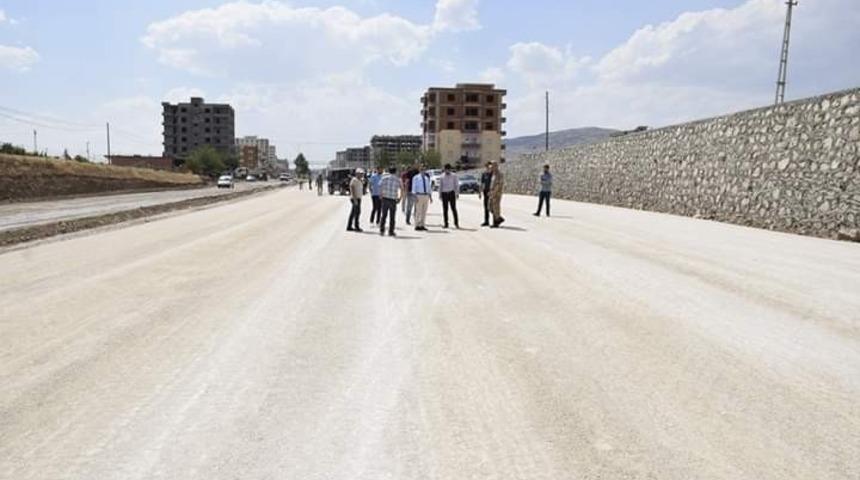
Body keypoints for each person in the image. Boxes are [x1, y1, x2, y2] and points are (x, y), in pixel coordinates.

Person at [378, 167, 402, 237]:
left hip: (385, 199)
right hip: (393, 200)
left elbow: (380, 186)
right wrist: (400, 198)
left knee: (384, 216)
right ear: (395, 171)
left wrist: (380, 195)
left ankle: (382, 230)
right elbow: (402, 189)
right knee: (392, 217)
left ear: (389, 171)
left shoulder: (384, 178)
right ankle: (391, 231)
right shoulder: (398, 179)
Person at [438, 163, 460, 229]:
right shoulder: (442, 176)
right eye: (445, 170)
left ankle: (456, 223)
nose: (447, 171)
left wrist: (457, 193)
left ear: (450, 169)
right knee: (445, 209)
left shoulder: (454, 176)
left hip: (451, 193)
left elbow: (456, 185)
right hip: (444, 194)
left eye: (448, 169)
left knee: (453, 209)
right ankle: (446, 224)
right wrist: (440, 194)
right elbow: (440, 186)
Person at [411, 165, 433, 231]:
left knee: (424, 211)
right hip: (419, 195)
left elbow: (429, 187)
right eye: (422, 169)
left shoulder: (426, 178)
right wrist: (414, 196)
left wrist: (430, 196)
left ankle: (422, 225)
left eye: (424, 169)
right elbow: (414, 187)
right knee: (418, 211)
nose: (423, 170)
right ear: (419, 170)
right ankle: (417, 225)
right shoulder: (416, 177)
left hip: (426, 196)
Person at [489, 162, 505, 228]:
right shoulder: (493, 174)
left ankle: (496, 222)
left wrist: (494, 193)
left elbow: (498, 185)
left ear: (496, 166)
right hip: (492, 192)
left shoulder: (499, 175)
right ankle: (498, 218)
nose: (491, 168)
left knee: (495, 207)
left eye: (492, 167)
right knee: (490, 207)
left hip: (497, 193)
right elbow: (492, 184)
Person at [479, 162, 494, 227]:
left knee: (492, 207)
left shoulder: (493, 174)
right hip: (486, 192)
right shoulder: (484, 174)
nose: (488, 168)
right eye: (487, 167)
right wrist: (480, 192)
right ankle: (486, 221)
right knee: (486, 207)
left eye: (489, 167)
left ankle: (495, 220)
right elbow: (482, 183)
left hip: (492, 192)